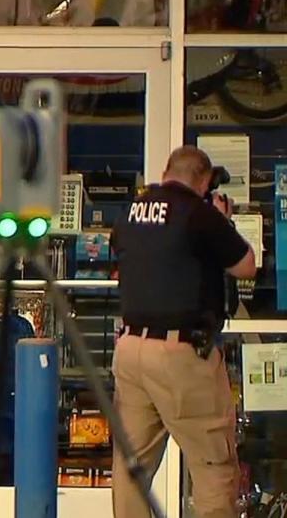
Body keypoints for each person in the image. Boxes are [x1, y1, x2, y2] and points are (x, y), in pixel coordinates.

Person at [110, 145, 257, 518]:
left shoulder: (131, 211)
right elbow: (246, 267)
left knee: (132, 469)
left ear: (166, 170)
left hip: (130, 351)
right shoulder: (199, 215)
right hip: (181, 356)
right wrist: (222, 221)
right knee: (212, 466)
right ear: (204, 180)